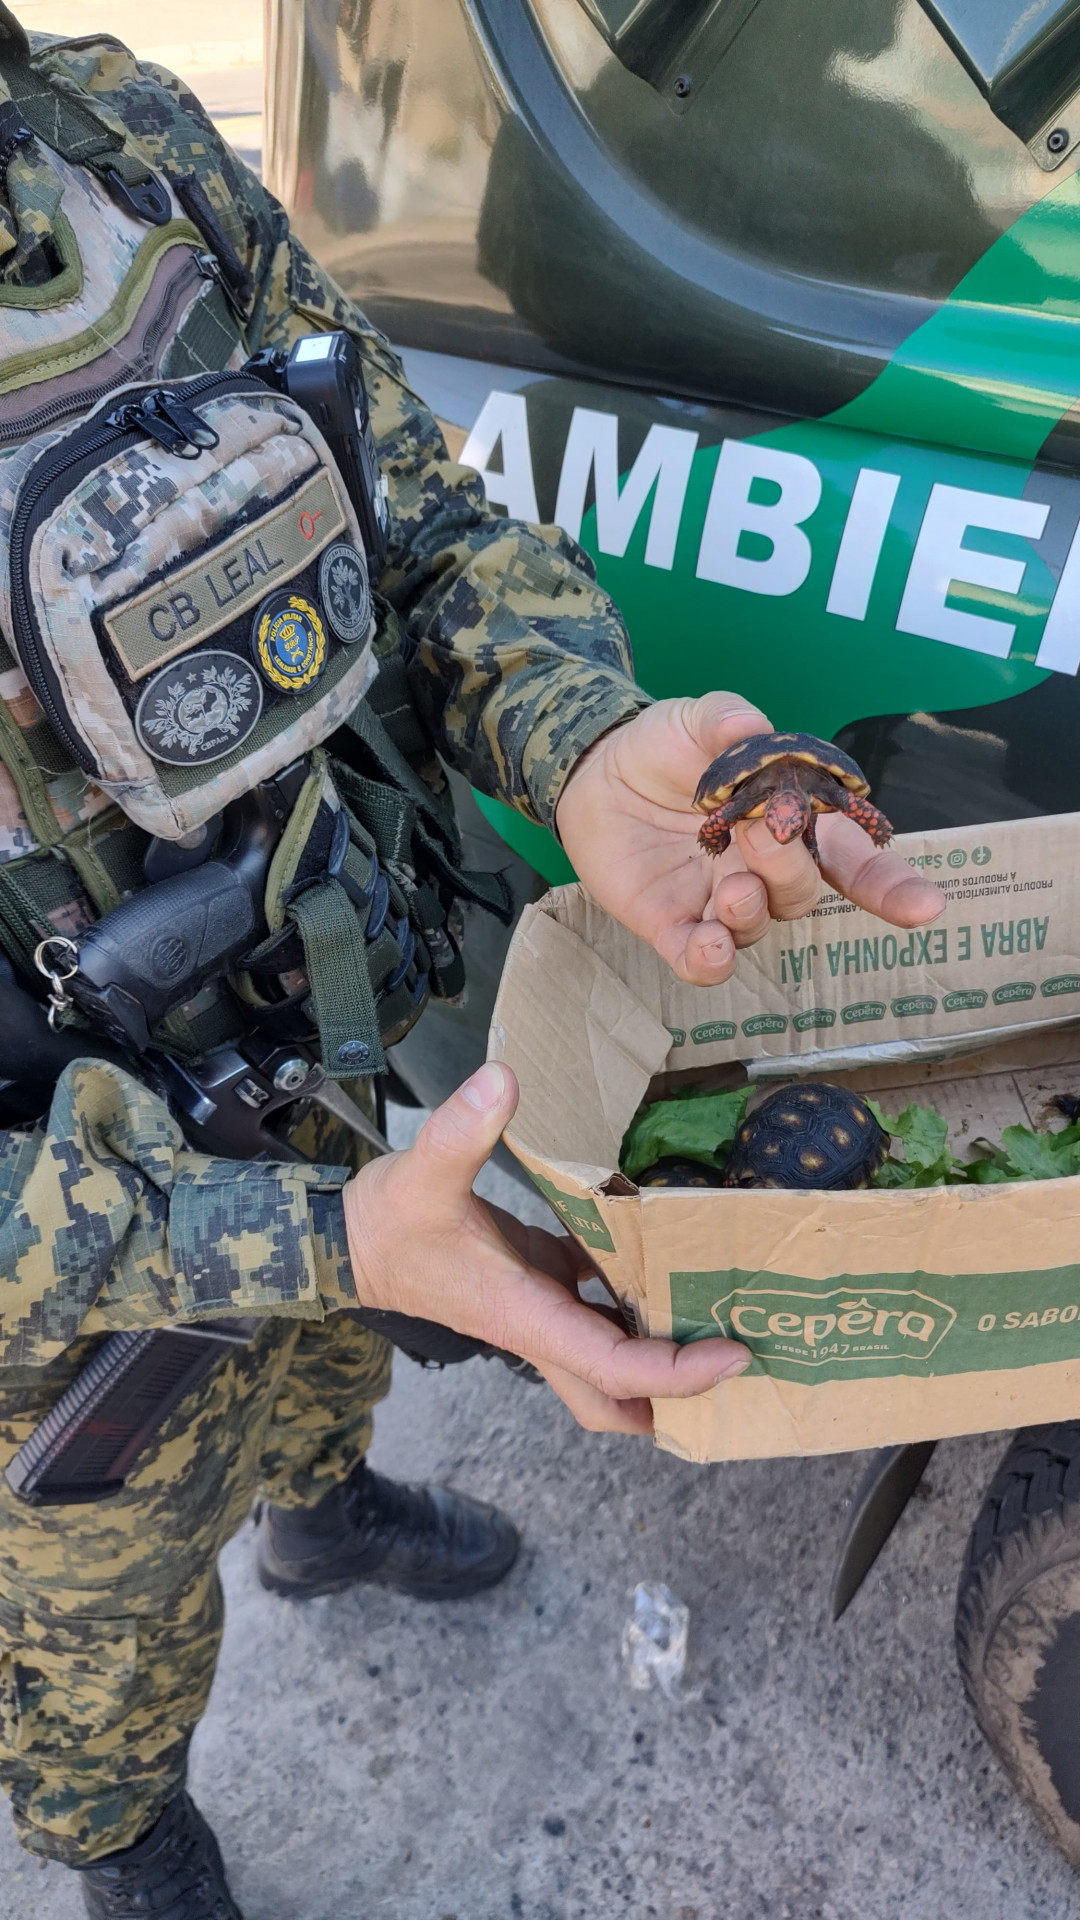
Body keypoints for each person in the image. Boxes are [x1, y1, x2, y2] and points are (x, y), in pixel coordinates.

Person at [0, 9, 947, 1915]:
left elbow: (408, 517)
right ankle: (125, 1842)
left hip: (322, 1037)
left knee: (338, 1356)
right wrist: (318, 1240)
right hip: (70, 1242)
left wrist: (583, 741)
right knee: (98, 1630)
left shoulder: (105, 137)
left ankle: (324, 1514)